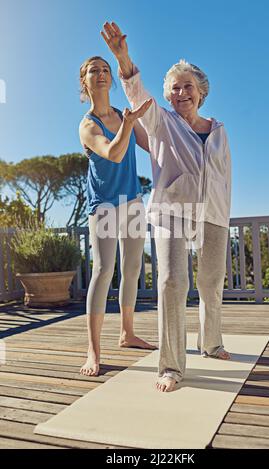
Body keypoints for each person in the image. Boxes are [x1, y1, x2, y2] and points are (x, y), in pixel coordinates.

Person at [101, 22, 232, 392]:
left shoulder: (219, 130)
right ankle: (171, 366)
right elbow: (136, 94)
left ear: (201, 92)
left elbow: (225, 176)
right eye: (174, 88)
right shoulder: (161, 122)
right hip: (172, 211)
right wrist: (123, 58)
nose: (181, 92)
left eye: (187, 86)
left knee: (211, 282)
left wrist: (223, 212)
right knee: (173, 281)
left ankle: (211, 342)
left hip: (215, 214)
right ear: (168, 96)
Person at [79, 55, 156, 377]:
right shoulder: (87, 125)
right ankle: (93, 351)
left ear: (111, 79)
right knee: (104, 269)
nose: (101, 73)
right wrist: (128, 122)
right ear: (84, 82)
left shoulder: (125, 116)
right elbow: (114, 152)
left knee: (133, 267)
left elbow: (152, 146)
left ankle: (127, 333)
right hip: (106, 206)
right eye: (93, 70)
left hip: (134, 201)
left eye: (105, 69)